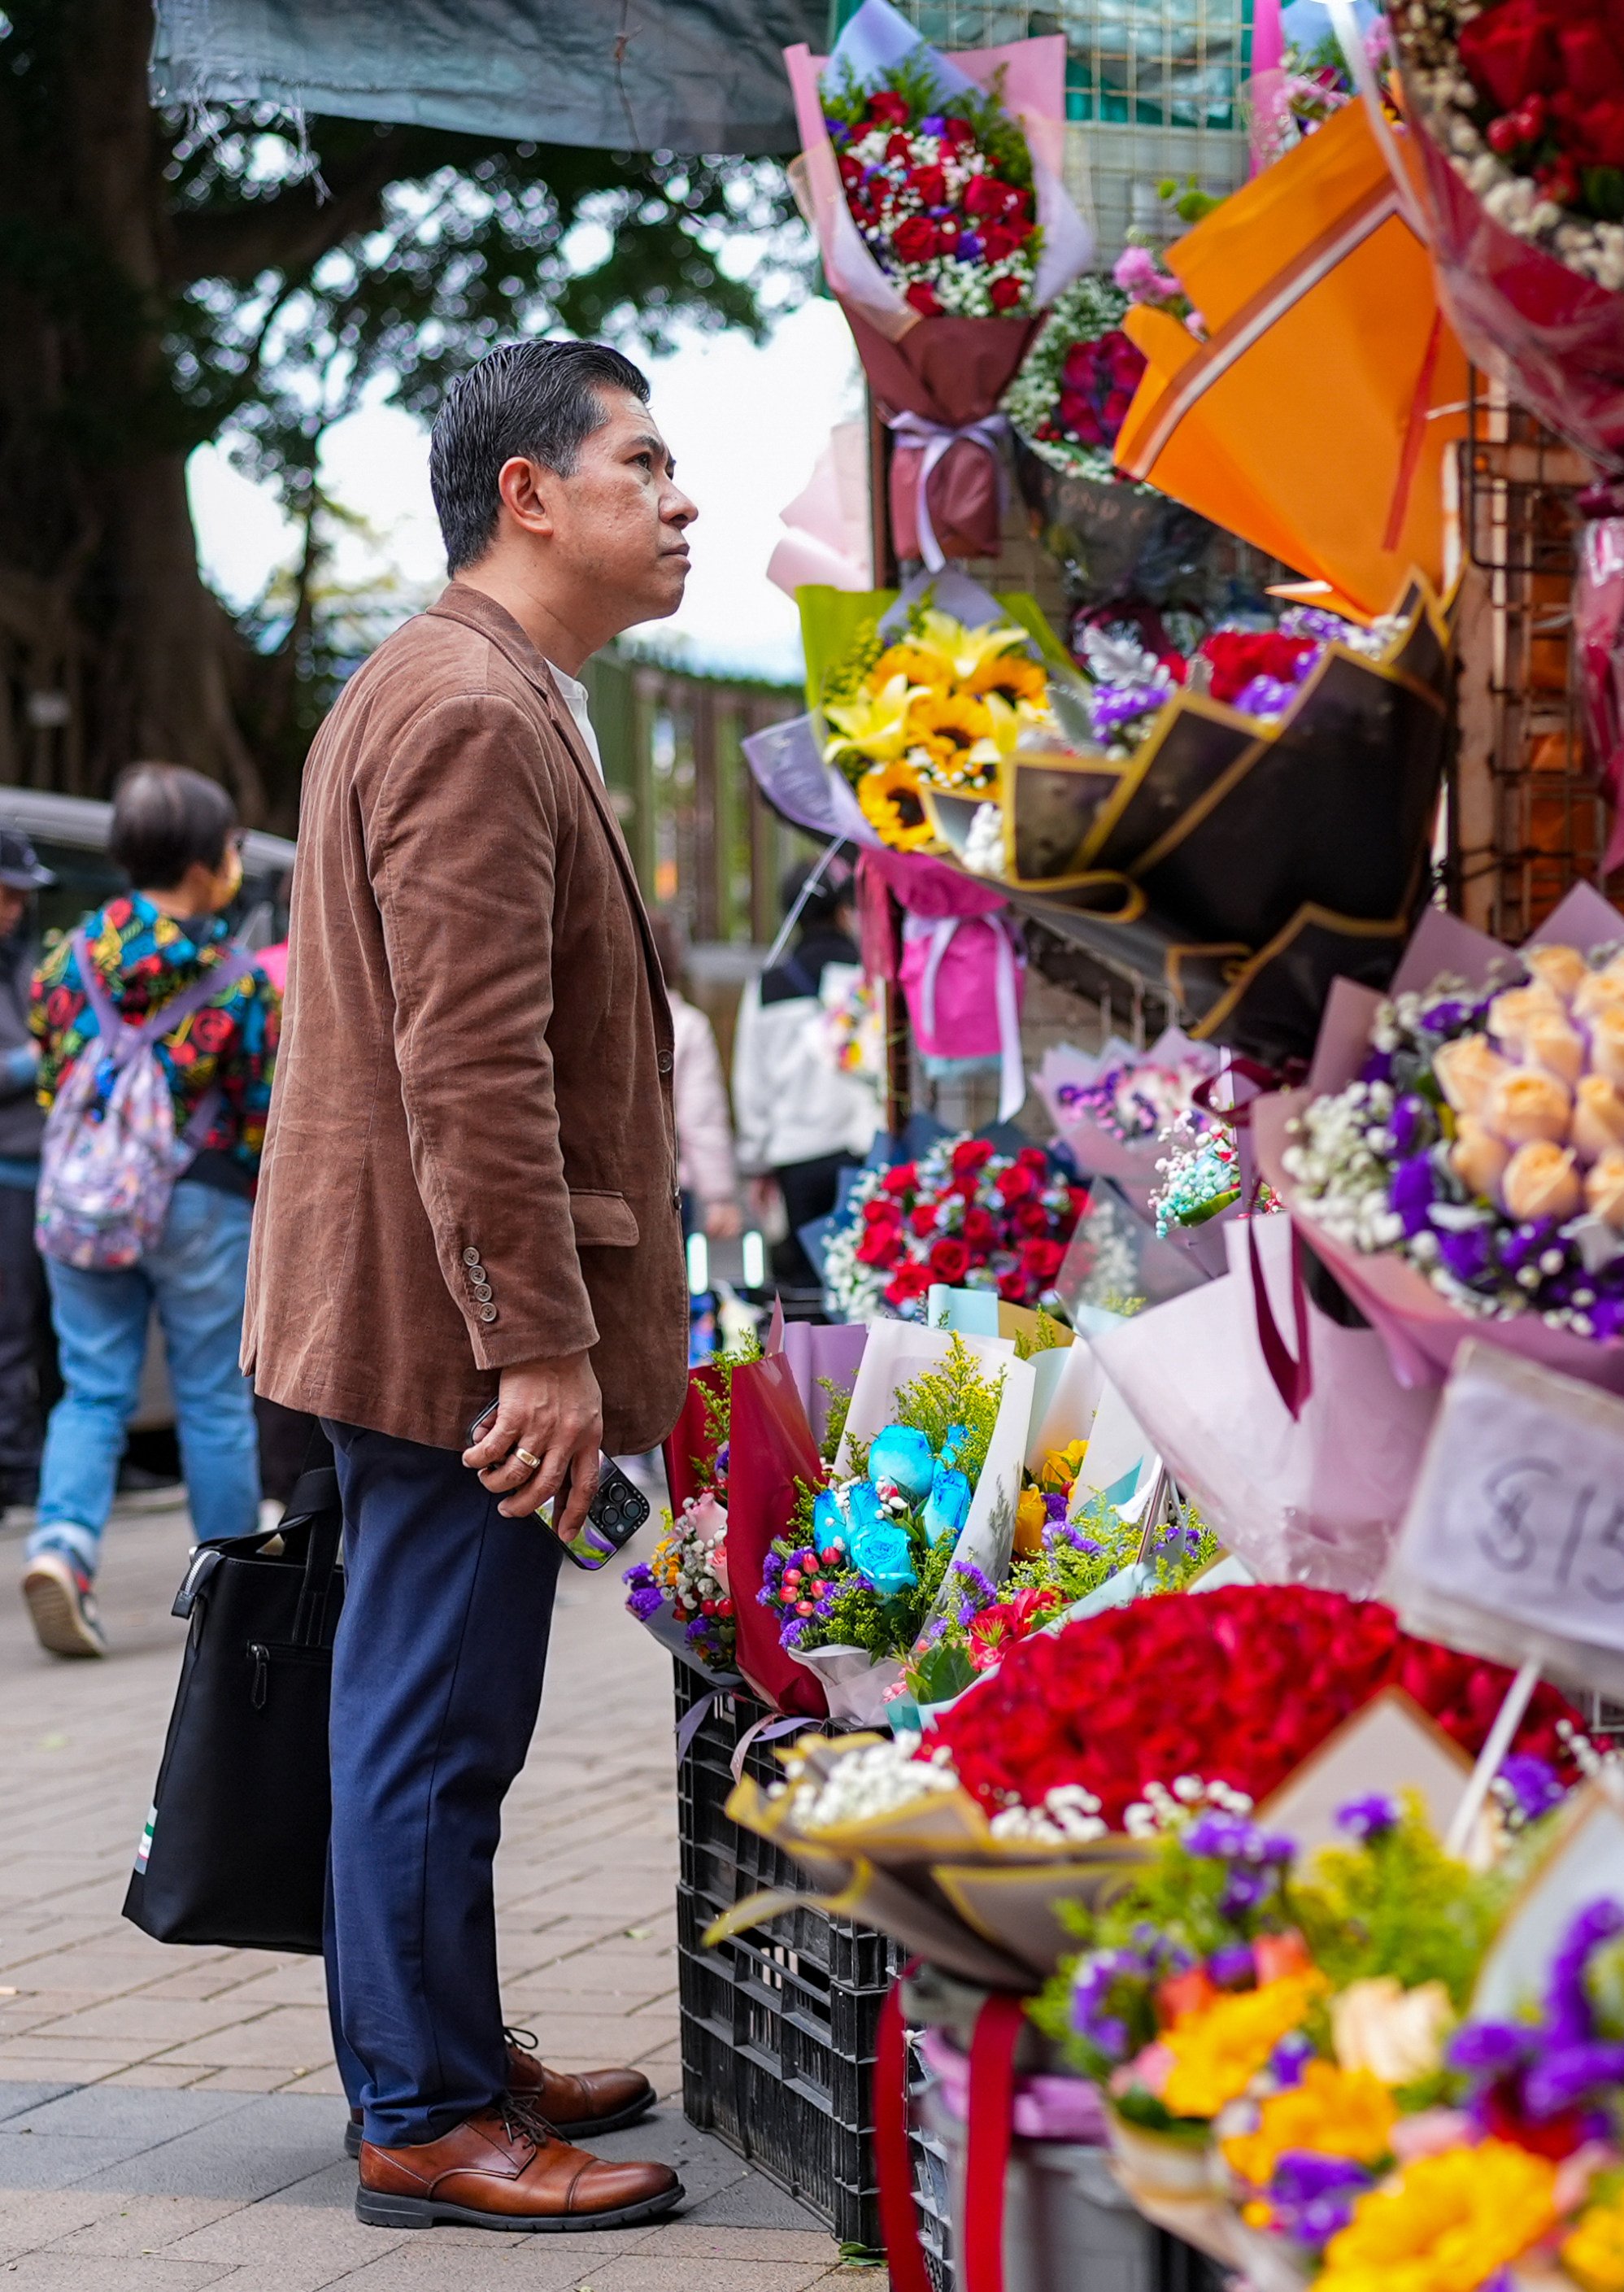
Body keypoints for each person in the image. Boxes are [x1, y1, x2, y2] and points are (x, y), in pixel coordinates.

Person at [245, 338, 691, 2233]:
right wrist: (539, 1348)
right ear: (530, 492)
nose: (681, 503)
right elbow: (473, 1064)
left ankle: (437, 2044)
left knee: (442, 1707)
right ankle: (422, 2107)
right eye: (644, 462)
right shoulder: (473, 709)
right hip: (454, 1333)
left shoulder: (480, 687)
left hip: (431, 1311)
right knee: (434, 1712)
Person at [20, 770, 277, 1658]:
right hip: (199, 1197)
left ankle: (62, 1550)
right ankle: (234, 1584)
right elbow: (259, 1112)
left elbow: (57, 1074)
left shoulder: (65, 961)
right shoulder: (235, 980)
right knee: (211, 1395)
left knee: (91, 1390)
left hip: (83, 1203)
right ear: (207, 866)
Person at [733, 844, 882, 1300]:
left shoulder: (768, 985)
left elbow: (750, 1083)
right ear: (844, 910)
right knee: (861, 1289)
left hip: (794, 1159)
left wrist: (757, 1159)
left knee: (803, 1294)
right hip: (861, 1152)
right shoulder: (868, 977)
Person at [0, 829, 62, 1527]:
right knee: (12, 1332)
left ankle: (35, 1466)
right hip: (7, 1175)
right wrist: (31, 1061)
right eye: (7, 893)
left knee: (48, 1336)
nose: (16, 908)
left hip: (44, 1173)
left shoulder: (24, 960)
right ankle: (16, 1475)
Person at [650, 914, 741, 1249]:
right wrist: (718, 1196)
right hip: (670, 1188)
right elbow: (700, 1116)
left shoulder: (600, 1023)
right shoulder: (687, 1025)